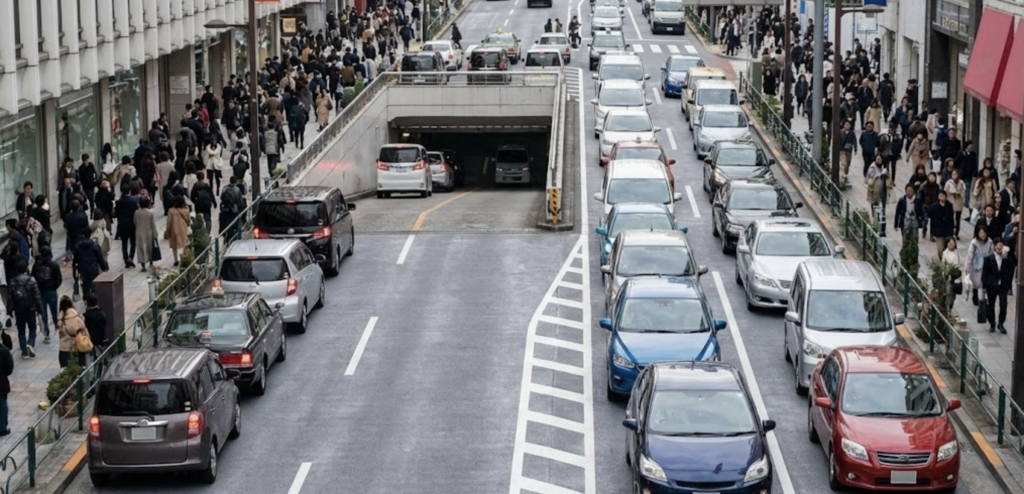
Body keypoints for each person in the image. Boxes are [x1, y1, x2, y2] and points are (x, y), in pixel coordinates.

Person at [981, 240, 1016, 334]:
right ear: (994, 247)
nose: (999, 248)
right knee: (991, 306)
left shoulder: (1007, 259)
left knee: (1003, 305)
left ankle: (1001, 323)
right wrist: (985, 285)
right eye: (998, 246)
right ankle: (992, 323)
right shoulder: (988, 258)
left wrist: (1007, 258)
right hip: (991, 286)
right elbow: (984, 273)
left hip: (1003, 286)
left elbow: (1012, 268)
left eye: (1001, 246)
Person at [8, 261, 41, 359]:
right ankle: (30, 343)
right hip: (31, 308)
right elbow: (37, 296)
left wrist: (9, 310)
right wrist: (39, 309)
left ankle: (24, 351)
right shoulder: (32, 280)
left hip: (19, 309)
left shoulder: (13, 281)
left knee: (21, 330)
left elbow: (10, 297)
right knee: (32, 327)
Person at [30, 247, 61, 344]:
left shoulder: (36, 265)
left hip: (40, 292)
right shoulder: (53, 264)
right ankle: (59, 329)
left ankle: (46, 333)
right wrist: (54, 287)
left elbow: (32, 278)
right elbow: (59, 278)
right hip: (51, 291)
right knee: (55, 312)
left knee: (43, 313)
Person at [965, 227, 994, 306]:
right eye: (981, 233)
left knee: (984, 283)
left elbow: (992, 253)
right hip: (976, 265)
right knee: (976, 282)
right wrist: (968, 268)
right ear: (977, 233)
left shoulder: (990, 242)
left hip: (986, 265)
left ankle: (983, 298)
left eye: (984, 233)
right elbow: (970, 256)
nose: (983, 235)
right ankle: (975, 296)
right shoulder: (974, 243)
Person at [56, 295, 87, 368]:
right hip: (79, 345)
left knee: (65, 367)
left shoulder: (61, 318)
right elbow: (84, 329)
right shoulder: (77, 316)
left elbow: (61, 331)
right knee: (80, 366)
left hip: (65, 347)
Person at [115, 185, 140, 268]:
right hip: (131, 224)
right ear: (129, 191)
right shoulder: (133, 202)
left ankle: (126, 259)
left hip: (122, 224)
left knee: (124, 243)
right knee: (133, 242)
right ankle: (131, 257)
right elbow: (136, 213)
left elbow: (116, 214)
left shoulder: (118, 202)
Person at [166, 196, 192, 267]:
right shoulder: (186, 210)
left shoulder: (171, 211)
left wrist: (167, 231)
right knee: (185, 244)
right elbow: (188, 221)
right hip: (183, 229)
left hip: (174, 230)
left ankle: (176, 260)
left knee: (174, 246)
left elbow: (168, 223)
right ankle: (184, 258)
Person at [134, 197, 158, 271]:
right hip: (149, 232)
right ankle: (151, 262)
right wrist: (155, 234)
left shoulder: (136, 212)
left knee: (141, 248)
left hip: (139, 232)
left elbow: (135, 221)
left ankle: (143, 265)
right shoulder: (150, 212)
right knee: (150, 247)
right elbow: (153, 224)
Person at [930, 190, 955, 257]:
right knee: (940, 248)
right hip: (938, 231)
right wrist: (932, 232)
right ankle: (941, 259)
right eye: (940, 196)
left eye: (943, 196)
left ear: (946, 197)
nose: (941, 197)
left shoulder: (949, 206)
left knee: (947, 247)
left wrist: (952, 230)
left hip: (948, 230)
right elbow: (932, 219)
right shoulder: (935, 206)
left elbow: (951, 219)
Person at [0, 327, 11, 435]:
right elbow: (9, 368)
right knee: (2, 403)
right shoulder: (4, 351)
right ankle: (2, 427)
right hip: (1, 382)